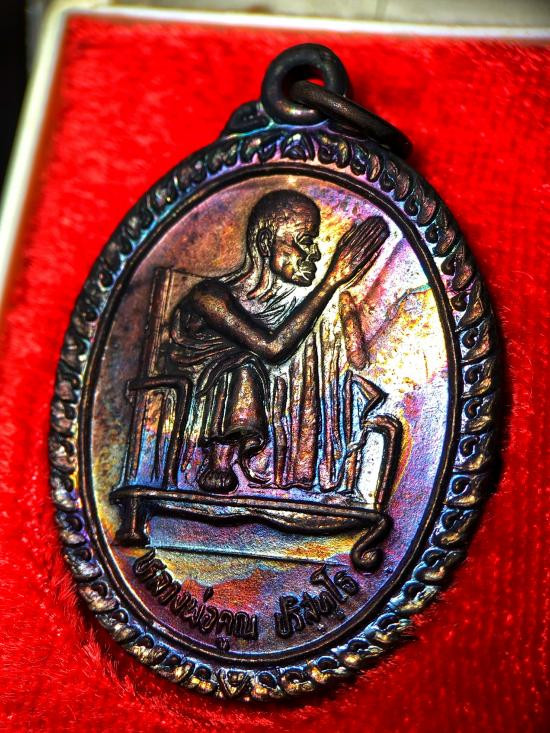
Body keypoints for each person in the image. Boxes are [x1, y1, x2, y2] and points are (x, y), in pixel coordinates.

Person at [169, 189, 389, 494]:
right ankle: (220, 460)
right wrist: (332, 279)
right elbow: (272, 348)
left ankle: (305, 466)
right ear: (265, 244)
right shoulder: (210, 296)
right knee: (244, 364)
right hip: (201, 383)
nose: (315, 254)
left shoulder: (285, 308)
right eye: (305, 241)